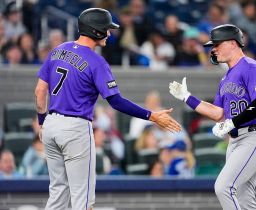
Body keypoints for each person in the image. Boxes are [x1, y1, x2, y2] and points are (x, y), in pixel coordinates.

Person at [34, 8, 181, 210]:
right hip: (75, 128)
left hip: (51, 125)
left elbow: (40, 91)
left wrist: (42, 122)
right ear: (96, 31)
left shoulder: (58, 50)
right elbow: (116, 101)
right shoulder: (96, 61)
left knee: (58, 193)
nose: (109, 33)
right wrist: (151, 115)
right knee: (82, 199)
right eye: (106, 29)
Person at [169, 24, 256, 210]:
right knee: (244, 198)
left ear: (233, 43)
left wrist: (233, 122)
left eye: (217, 44)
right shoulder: (226, 77)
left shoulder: (250, 66)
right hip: (236, 140)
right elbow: (218, 113)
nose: (213, 49)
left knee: (223, 187)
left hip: (253, 135)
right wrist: (187, 97)